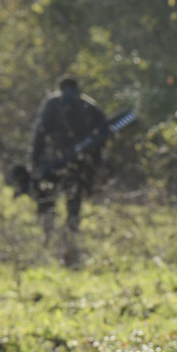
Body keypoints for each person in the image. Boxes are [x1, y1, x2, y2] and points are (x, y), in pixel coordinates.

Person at [28, 76, 110, 243]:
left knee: (47, 197)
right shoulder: (88, 104)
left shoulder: (53, 103)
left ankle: (48, 234)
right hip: (79, 162)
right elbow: (103, 133)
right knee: (74, 199)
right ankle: (71, 234)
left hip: (53, 160)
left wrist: (34, 159)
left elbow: (40, 133)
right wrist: (95, 159)